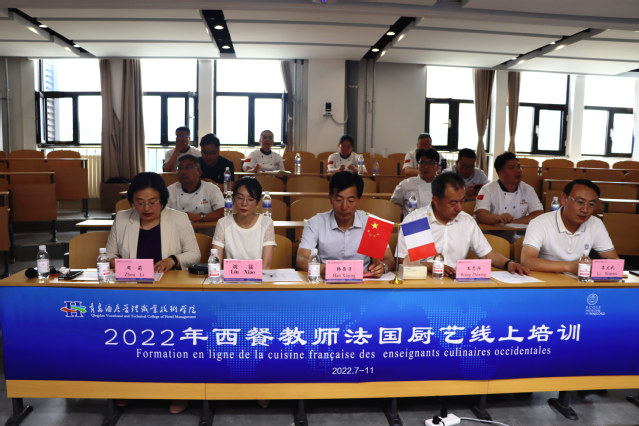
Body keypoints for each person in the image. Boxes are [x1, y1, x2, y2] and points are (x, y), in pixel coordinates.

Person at [397, 173, 528, 277]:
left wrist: (509, 263)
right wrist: (430, 266)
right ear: (435, 200)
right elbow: (402, 259)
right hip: (424, 281)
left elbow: (487, 254)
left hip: (457, 283)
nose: (459, 208)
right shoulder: (416, 221)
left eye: (462, 201)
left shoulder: (466, 221)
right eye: (453, 203)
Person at [297, 171, 394, 277]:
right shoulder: (316, 222)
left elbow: (388, 259)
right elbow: (301, 258)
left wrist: (382, 267)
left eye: (351, 200)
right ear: (330, 198)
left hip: (363, 281)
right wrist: (322, 269)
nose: (344, 207)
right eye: (339, 200)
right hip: (325, 280)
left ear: (359, 200)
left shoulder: (371, 223)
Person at [106, 171, 200, 273]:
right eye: (140, 203)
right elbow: (108, 254)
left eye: (152, 202)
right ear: (132, 201)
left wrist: (173, 260)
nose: (146, 208)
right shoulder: (121, 218)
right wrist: (118, 263)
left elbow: (194, 254)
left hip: (167, 280)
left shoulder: (179, 218)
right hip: (132, 279)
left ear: (162, 199)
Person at [521, 179, 618, 273]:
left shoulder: (595, 224)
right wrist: (569, 267)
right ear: (564, 199)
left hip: (579, 280)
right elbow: (527, 261)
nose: (585, 209)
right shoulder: (540, 223)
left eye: (591, 204)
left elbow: (614, 261)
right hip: (548, 279)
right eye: (580, 202)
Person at [474, 152, 543, 241]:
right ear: (500, 173)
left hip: (511, 236)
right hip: (486, 237)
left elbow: (538, 214)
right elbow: (481, 215)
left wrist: (513, 222)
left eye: (519, 167)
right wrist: (499, 218)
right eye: (511, 168)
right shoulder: (487, 189)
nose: (518, 170)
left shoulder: (527, 189)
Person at [212, 177, 276, 268]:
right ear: (234, 199)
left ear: (257, 202)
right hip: (230, 276)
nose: (244, 204)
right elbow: (215, 263)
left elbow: (266, 266)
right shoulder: (223, 223)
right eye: (240, 198)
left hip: (259, 276)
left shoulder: (266, 223)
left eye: (250, 199)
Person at [166, 155, 225, 225]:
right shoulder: (170, 191)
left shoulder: (211, 189)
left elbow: (222, 212)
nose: (183, 172)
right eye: (180, 168)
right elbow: (163, 215)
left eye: (188, 168)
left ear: (199, 172)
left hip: (206, 231)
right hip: (177, 230)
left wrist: (199, 217)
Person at [391, 148, 439, 217]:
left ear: (437, 167)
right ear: (417, 166)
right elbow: (394, 205)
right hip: (412, 222)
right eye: (422, 162)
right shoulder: (405, 184)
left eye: (431, 163)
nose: (426, 166)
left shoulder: (443, 185)